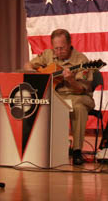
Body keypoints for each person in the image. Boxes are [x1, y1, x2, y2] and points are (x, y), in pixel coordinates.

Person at [25, 29, 95, 165]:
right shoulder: (48, 54)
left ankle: (76, 151)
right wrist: (36, 73)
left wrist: (71, 80)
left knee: (77, 107)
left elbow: (81, 89)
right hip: (57, 95)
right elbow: (28, 65)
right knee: (38, 103)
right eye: (56, 48)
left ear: (69, 44)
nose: (58, 51)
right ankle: (39, 148)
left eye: (62, 48)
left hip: (78, 95)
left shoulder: (81, 60)